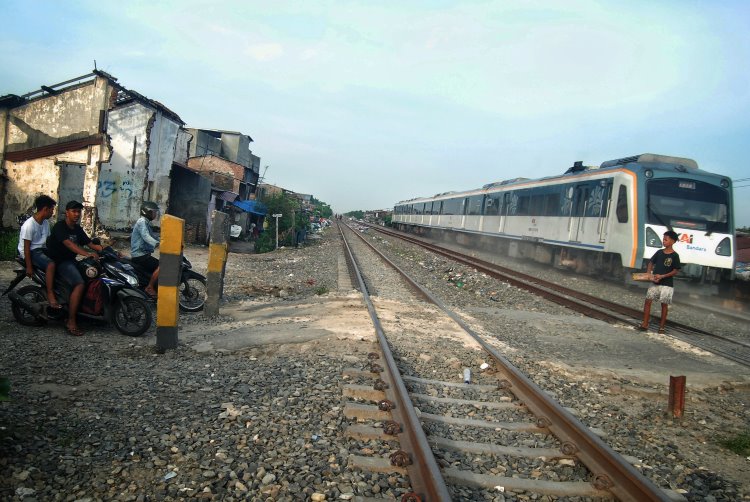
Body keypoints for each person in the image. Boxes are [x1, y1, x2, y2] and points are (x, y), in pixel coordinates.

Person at [46, 200, 105, 336]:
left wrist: (105, 249)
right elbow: (70, 245)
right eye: (74, 211)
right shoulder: (59, 227)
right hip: (60, 262)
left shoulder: (77, 229)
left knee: (92, 276)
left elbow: (90, 244)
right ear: (67, 212)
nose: (77, 214)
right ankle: (71, 321)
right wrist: (87, 254)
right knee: (79, 284)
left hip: (71, 261)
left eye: (79, 211)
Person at [18, 195, 60, 309]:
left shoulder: (45, 223)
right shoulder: (29, 225)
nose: (52, 212)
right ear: (45, 209)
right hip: (31, 251)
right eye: (52, 209)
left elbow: (48, 241)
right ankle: (50, 293)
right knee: (51, 264)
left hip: (41, 250)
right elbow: (26, 247)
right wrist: (29, 266)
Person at [638, 230, 682, 334]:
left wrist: (662, 276)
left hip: (667, 285)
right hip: (655, 282)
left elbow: (675, 271)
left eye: (666, 239)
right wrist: (649, 275)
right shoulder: (659, 252)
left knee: (664, 305)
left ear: (672, 241)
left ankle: (661, 327)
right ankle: (645, 324)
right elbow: (650, 263)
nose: (663, 241)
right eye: (663, 239)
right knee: (648, 301)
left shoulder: (675, 256)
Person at [131, 201, 160, 298]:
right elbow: (146, 236)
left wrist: (164, 240)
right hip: (140, 256)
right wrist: (157, 244)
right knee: (162, 266)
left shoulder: (146, 222)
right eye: (153, 212)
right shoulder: (142, 222)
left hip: (143, 255)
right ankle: (150, 287)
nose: (155, 214)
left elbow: (153, 236)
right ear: (146, 212)